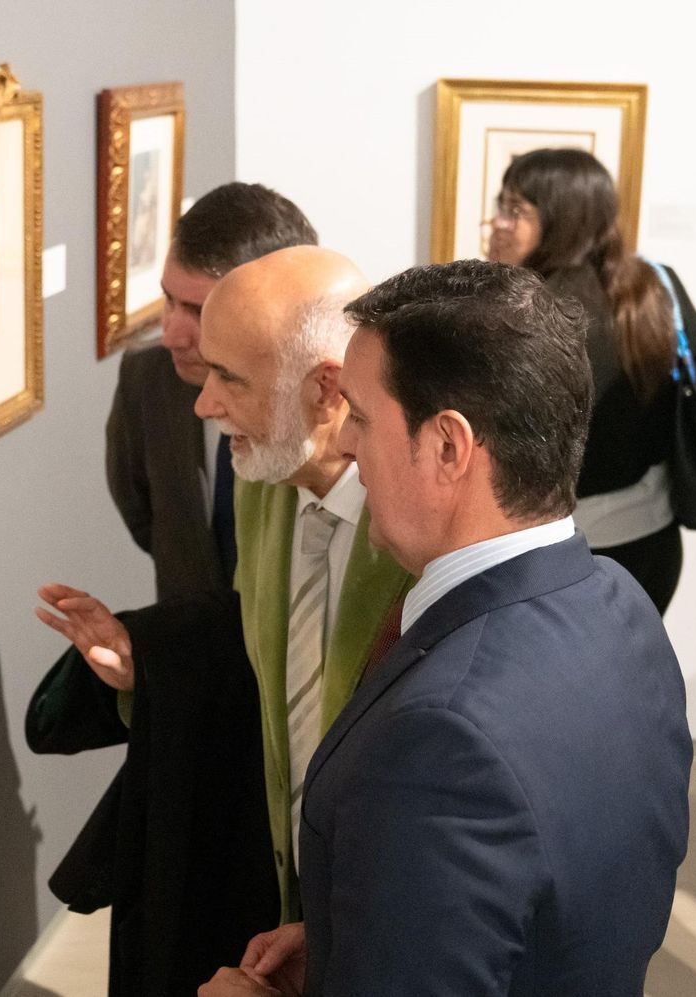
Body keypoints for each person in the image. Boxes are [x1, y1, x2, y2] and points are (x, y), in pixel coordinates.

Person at [211, 260, 691, 997]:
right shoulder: (622, 605)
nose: (347, 449)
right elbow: (550, 905)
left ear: (447, 448)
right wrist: (355, 940)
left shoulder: (439, 739)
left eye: (363, 421)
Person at [32, 247, 412, 995]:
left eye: (229, 379)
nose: (204, 404)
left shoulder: (417, 529)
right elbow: (252, 645)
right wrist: (147, 660)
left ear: (327, 388)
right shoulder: (263, 477)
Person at [485, 147, 696, 612]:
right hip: (652, 539)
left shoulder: (527, 307)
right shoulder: (656, 285)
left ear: (563, 219)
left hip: (554, 551)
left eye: (515, 209)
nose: (497, 222)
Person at [107, 182, 318, 601]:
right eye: (169, 300)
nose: (171, 335)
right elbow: (141, 511)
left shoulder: (334, 399)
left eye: (199, 311)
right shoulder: (148, 375)